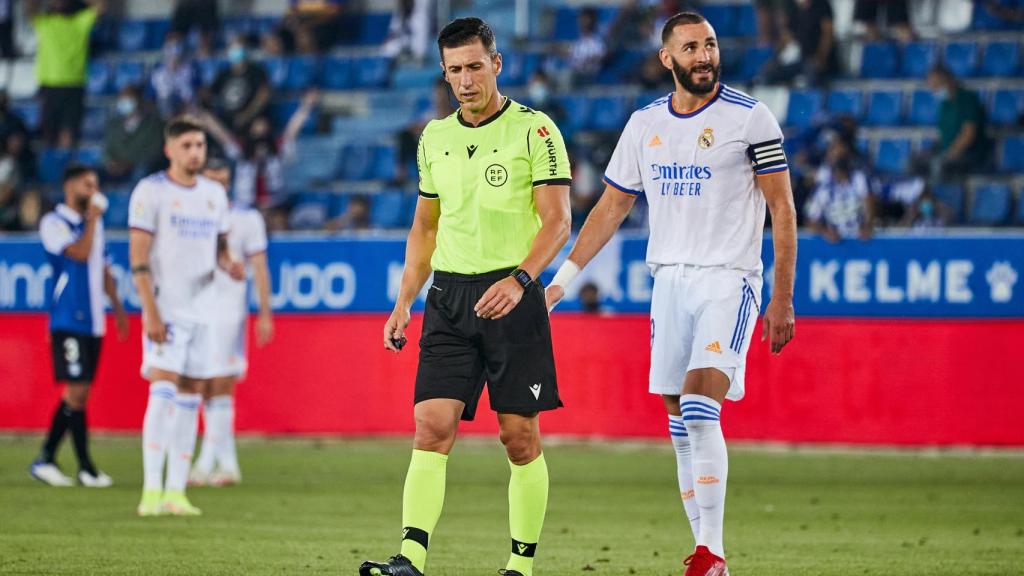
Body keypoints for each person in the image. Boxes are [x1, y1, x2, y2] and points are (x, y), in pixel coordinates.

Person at [546, 12, 797, 576]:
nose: (704, 55)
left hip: (728, 280)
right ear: (668, 59)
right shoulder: (644, 125)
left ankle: (711, 551)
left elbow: (782, 209)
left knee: (702, 405)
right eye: (691, 47)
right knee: (678, 418)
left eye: (710, 44)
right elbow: (612, 206)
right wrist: (562, 282)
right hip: (670, 284)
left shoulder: (751, 118)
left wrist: (781, 298)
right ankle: (707, 554)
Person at [360, 17, 572, 576]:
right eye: (454, 70)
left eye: (475, 66)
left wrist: (521, 279)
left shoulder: (537, 131)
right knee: (431, 425)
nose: (466, 80)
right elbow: (424, 228)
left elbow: (557, 223)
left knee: (518, 437)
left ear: (496, 64)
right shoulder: (434, 137)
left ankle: (520, 566)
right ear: (444, 72)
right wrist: (404, 300)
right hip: (449, 297)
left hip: (513, 295)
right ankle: (410, 556)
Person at [129, 115, 244, 517]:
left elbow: (220, 245)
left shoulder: (213, 195)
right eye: (188, 146)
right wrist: (150, 311)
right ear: (170, 150)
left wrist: (229, 262)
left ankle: (176, 492)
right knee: (162, 394)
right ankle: (150, 491)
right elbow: (138, 257)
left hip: (204, 310)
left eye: (200, 146)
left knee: (191, 396)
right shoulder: (151, 192)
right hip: (166, 307)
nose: (195, 152)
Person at [30, 164, 128, 488]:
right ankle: (84, 467)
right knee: (77, 391)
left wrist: (117, 308)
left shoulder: (91, 225)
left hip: (94, 321)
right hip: (67, 318)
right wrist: (94, 220)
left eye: (96, 185)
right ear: (70, 186)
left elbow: (103, 268)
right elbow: (81, 254)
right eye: (88, 185)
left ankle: (47, 458)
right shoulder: (54, 222)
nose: (94, 191)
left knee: (79, 394)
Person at [189, 158, 274, 487]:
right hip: (193, 308)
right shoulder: (191, 219)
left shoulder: (246, 218)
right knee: (202, 386)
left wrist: (264, 311)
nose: (219, 188)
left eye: (223, 181)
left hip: (227, 310)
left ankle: (205, 462)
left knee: (219, 382)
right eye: (212, 181)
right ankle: (227, 463)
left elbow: (260, 267)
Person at [28, 0, 104, 148]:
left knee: (69, 133)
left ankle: (65, 166)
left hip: (74, 84)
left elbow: (100, 5)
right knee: (48, 132)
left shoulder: (80, 22)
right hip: (50, 85)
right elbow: (30, 8)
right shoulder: (45, 23)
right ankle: (51, 166)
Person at [927, 64, 991, 182]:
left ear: (949, 80)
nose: (934, 89)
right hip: (948, 154)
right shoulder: (944, 104)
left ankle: (942, 199)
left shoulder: (967, 99)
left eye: (937, 84)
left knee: (938, 167)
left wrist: (948, 155)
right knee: (917, 163)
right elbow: (944, 135)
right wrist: (931, 151)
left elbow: (968, 134)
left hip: (969, 155)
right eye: (932, 86)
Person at [206, 37, 271, 133]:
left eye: (240, 48)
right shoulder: (223, 74)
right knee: (204, 119)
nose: (236, 51)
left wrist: (246, 115)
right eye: (233, 48)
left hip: (249, 116)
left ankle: (233, 145)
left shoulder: (256, 72)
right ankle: (230, 145)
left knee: (261, 126)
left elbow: (264, 94)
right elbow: (209, 93)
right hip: (225, 117)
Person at [103, 85, 165, 182]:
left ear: (138, 101)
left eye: (128, 98)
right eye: (122, 98)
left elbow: (154, 151)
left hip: (138, 167)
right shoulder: (114, 124)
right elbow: (107, 148)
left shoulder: (153, 124)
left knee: (141, 172)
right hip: (115, 168)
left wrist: (129, 164)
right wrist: (111, 162)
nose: (123, 101)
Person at [804, 156, 873, 242]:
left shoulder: (858, 180)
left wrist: (867, 225)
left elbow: (870, 202)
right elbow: (811, 220)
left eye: (844, 170)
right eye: (838, 171)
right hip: (834, 242)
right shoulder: (823, 191)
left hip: (859, 237)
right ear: (833, 172)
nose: (841, 174)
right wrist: (825, 231)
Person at [150, 32, 201, 119]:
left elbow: (197, 90)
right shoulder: (157, 71)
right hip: (165, 109)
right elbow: (152, 97)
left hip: (188, 107)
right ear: (165, 48)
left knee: (201, 113)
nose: (173, 51)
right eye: (170, 47)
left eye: (176, 46)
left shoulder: (191, 69)